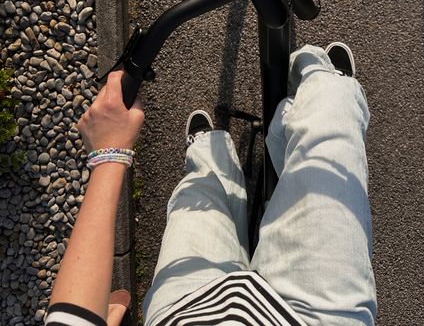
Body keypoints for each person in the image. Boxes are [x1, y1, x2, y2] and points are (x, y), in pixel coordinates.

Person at [46, 43, 377, 326]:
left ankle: (208, 155)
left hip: (186, 309)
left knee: (197, 194)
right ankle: (323, 82)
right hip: (312, 317)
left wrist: (110, 154)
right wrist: (108, 153)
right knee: (333, 117)